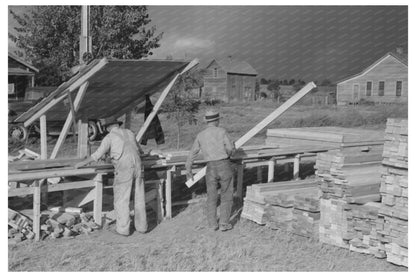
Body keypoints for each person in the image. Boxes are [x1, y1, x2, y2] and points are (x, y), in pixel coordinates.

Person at [75, 116, 147, 236]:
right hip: (138, 166)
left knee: (121, 198)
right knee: (139, 197)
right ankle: (142, 227)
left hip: (124, 168)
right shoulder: (129, 133)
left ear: (108, 128)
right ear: (117, 125)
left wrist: (80, 164)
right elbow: (140, 151)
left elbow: (97, 155)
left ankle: (123, 229)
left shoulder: (110, 137)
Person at [186, 110, 235, 231]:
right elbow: (229, 149)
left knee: (211, 196)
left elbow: (192, 153)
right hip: (224, 164)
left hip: (210, 168)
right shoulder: (222, 131)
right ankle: (224, 223)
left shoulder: (201, 135)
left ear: (207, 121)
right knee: (227, 194)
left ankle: (213, 224)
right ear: (217, 120)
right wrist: (231, 151)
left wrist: (188, 169)